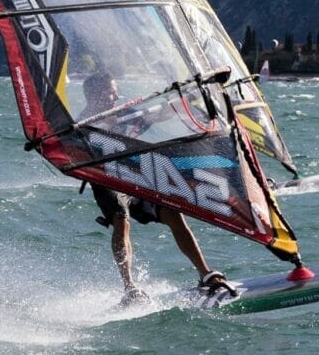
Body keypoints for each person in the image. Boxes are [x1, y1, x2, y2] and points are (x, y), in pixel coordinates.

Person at [80, 72, 233, 303]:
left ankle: (205, 273)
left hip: (135, 179)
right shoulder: (83, 122)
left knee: (173, 213)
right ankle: (130, 287)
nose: (115, 95)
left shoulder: (123, 114)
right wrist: (99, 126)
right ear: (94, 94)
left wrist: (186, 97)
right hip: (106, 180)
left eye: (115, 90)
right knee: (121, 221)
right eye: (110, 91)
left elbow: (158, 114)